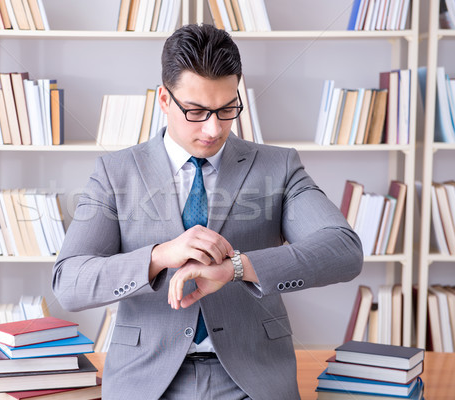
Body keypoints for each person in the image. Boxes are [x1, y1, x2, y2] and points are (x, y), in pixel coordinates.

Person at [52, 23, 363, 400]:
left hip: (255, 377)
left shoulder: (277, 166)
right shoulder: (115, 172)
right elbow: (69, 282)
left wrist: (235, 268)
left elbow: (343, 250)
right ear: (165, 100)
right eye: (196, 111)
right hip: (145, 380)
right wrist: (159, 256)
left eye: (227, 108)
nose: (214, 128)